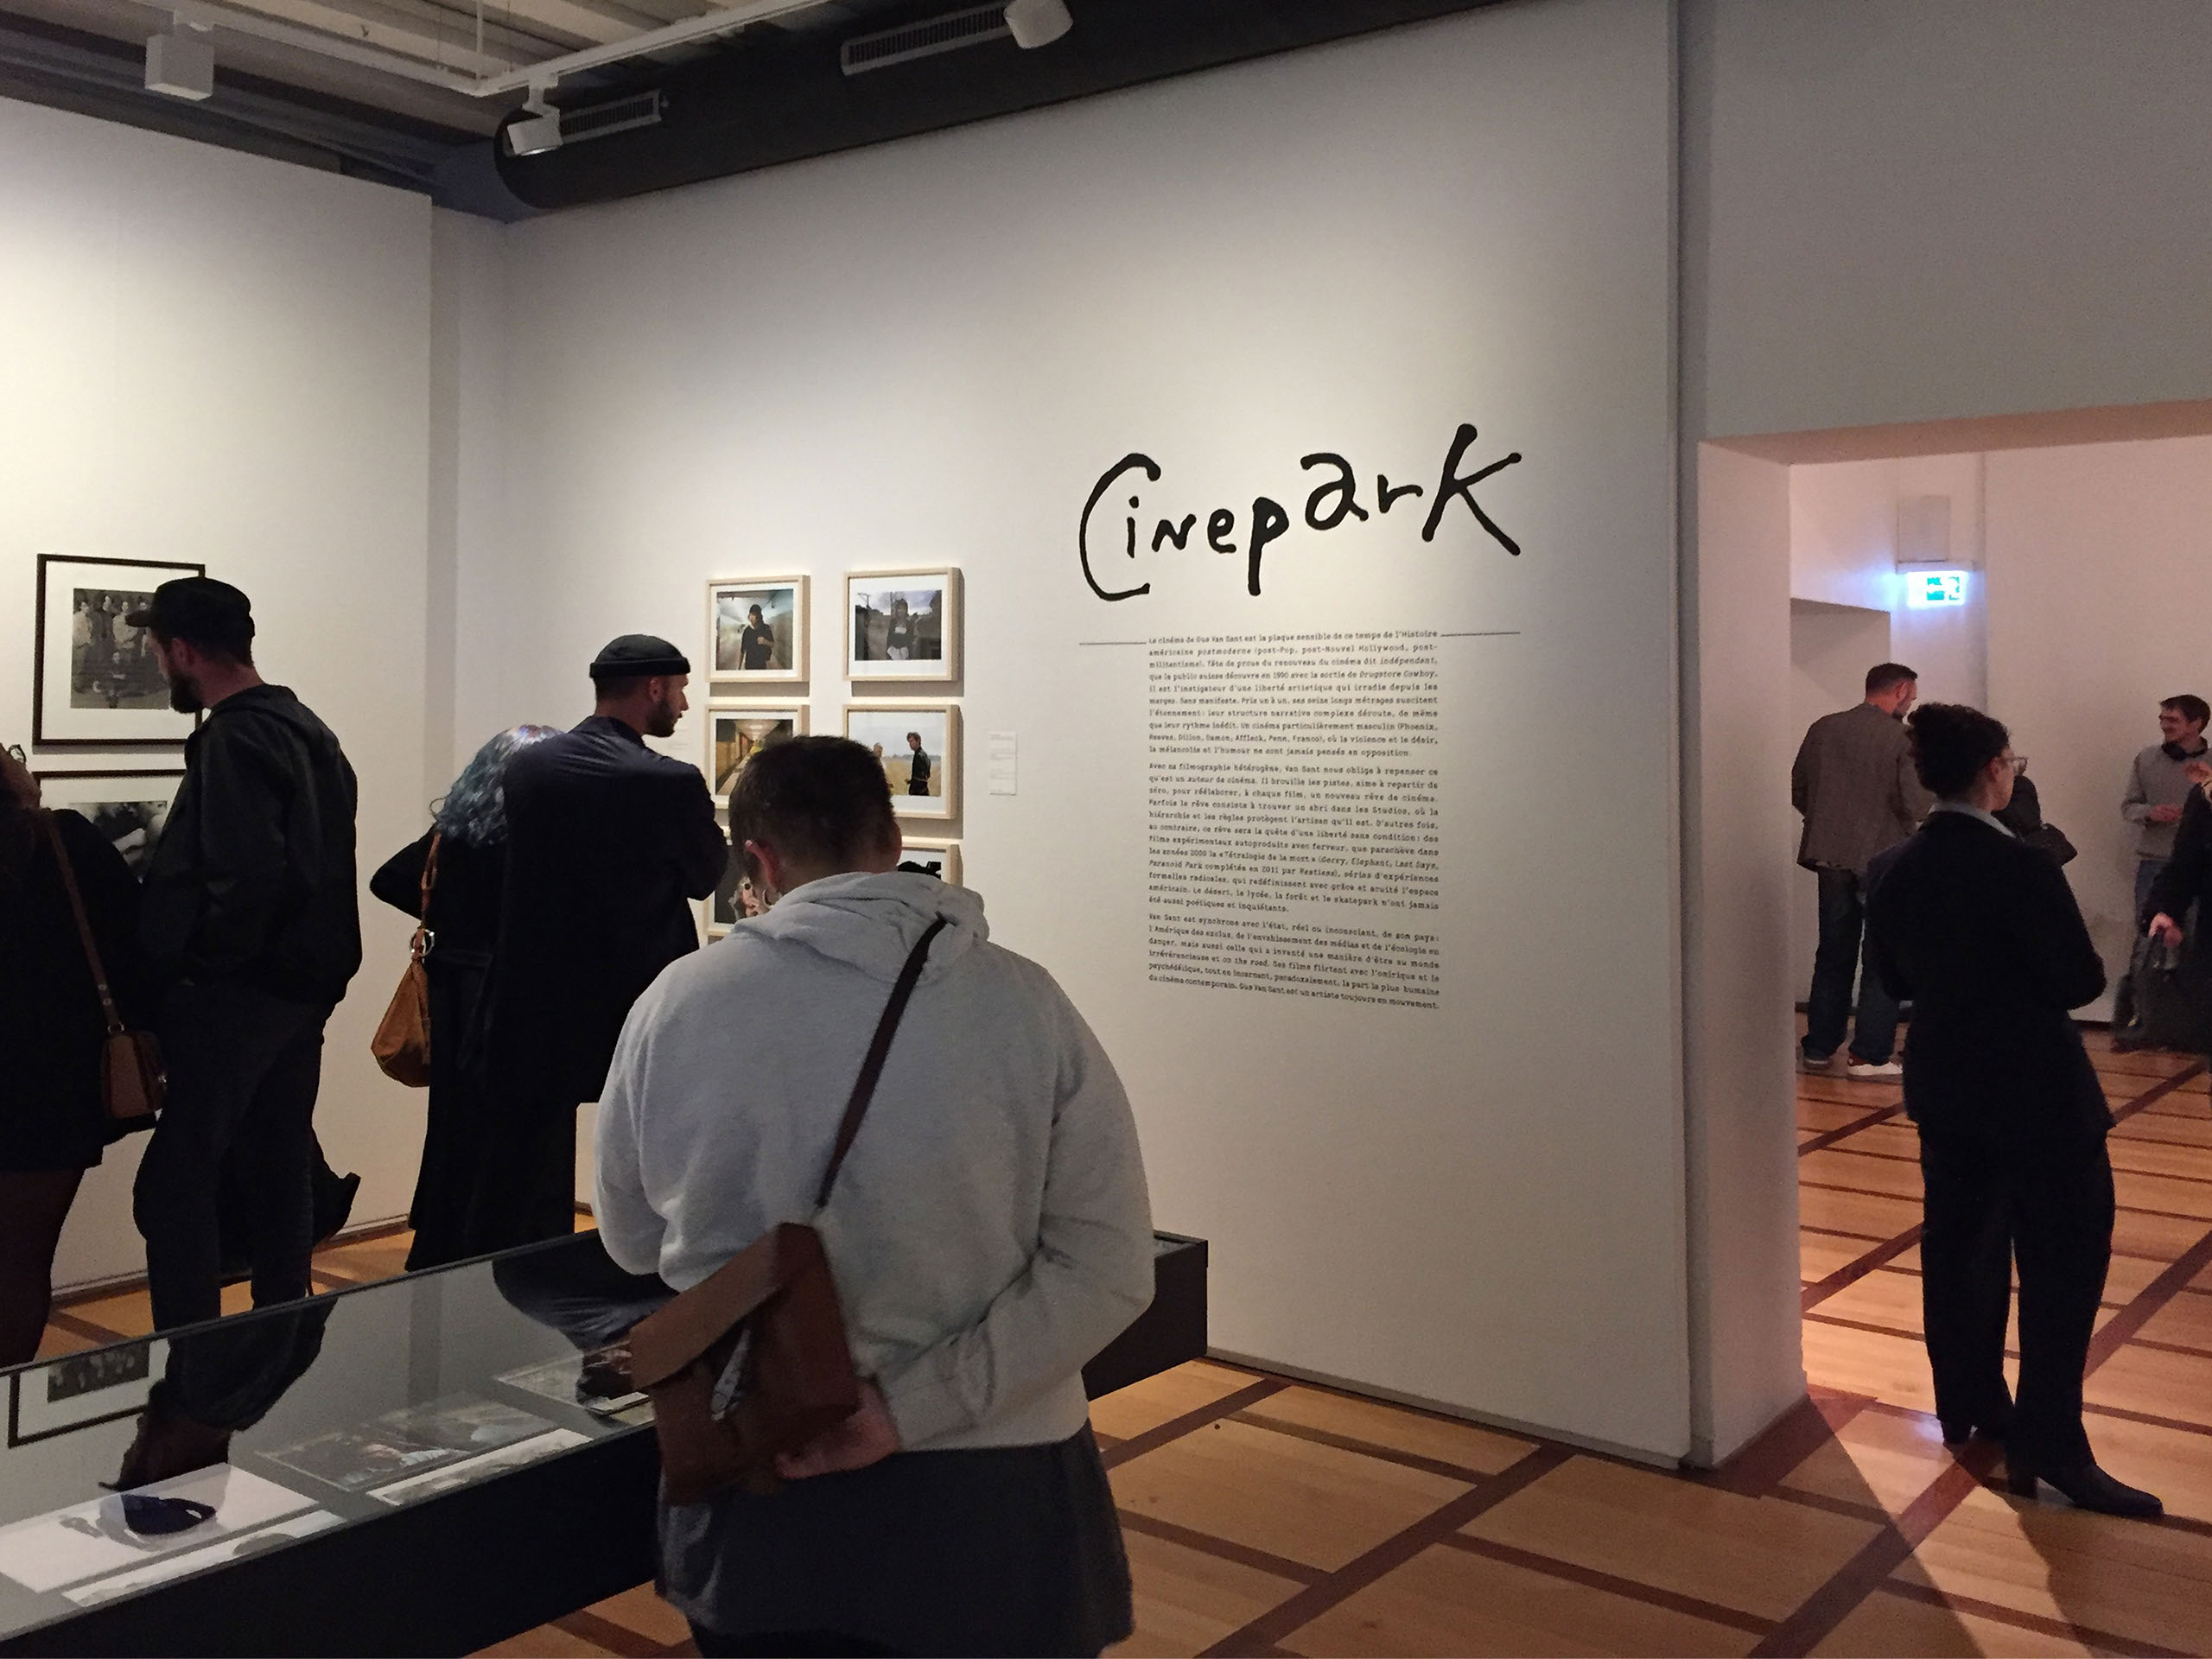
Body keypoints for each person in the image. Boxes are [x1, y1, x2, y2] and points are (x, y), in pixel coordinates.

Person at [595, 736, 1153, 1657]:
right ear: (892, 840)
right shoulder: (1026, 1002)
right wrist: (902, 1409)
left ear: (758, 861)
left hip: (762, 1454)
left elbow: (630, 1238)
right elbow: (1107, 1267)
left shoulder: (677, 1003)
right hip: (995, 1486)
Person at [1866, 702, 2159, 1519]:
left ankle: (1970, 1406)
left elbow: (1892, 980)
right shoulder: (2025, 866)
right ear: (1994, 769)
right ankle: (2050, 1442)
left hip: (1946, 1083)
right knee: (2063, 1265)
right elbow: (2078, 981)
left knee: (1960, 1248)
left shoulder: (1890, 866)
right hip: (2038, 1091)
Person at [130, 577, 361, 1334]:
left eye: (158, 650)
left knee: (176, 1184)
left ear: (184, 651)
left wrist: (199, 966)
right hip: (301, 993)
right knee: (278, 1164)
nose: (159, 664)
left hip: (238, 998)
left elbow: (248, 877)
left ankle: (193, 1355)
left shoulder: (234, 739)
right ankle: (277, 1335)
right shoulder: (308, 729)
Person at [479, 636, 726, 1251]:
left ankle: (519, 1285)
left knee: (526, 1169)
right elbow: (704, 876)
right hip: (634, 991)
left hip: (537, 990)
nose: (684, 704)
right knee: (650, 1149)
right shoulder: (668, 781)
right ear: (653, 688)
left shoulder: (528, 766)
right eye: (680, 690)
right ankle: (643, 1272)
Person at [370, 725, 561, 1270]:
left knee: (457, 1129)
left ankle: (442, 1251)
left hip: (454, 991)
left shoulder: (454, 833)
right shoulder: (536, 838)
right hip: (513, 997)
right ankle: (511, 1261)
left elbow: (389, 880)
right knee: (517, 1133)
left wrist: (448, 927)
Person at [0, 745, 149, 1364]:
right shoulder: (65, 841)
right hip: (51, 1090)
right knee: (20, 1263)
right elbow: (134, 947)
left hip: (47, 1089)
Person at [1791, 663, 1932, 1078]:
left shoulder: (1823, 728)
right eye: (1912, 697)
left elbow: (1799, 788)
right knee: (1881, 956)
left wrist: (1828, 821)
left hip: (1830, 855)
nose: (1911, 705)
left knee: (1833, 952)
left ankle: (1819, 1047)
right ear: (1901, 690)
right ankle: (1868, 1054)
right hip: (1884, 859)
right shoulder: (1902, 738)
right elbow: (1916, 805)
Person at [2121, 695, 2209, 925]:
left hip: (2203, 865)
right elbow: (2129, 806)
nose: (2164, 725)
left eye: (2173, 720)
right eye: (2162, 719)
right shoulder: (2146, 759)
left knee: (2200, 939)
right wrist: (2150, 812)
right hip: (2155, 861)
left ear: (2196, 724)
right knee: (2151, 937)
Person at [739, 604, 778, 672]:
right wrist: (739, 668)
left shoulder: (765, 629)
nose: (752, 617)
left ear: (758, 617)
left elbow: (773, 644)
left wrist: (765, 641)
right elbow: (742, 651)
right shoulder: (747, 631)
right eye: (751, 614)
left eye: (754, 615)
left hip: (761, 666)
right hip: (749, 666)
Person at [905, 730, 931, 798]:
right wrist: (911, 781)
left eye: (911, 741)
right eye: (909, 742)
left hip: (918, 791)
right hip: (923, 790)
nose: (910, 744)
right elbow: (925, 775)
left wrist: (913, 783)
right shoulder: (924, 754)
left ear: (918, 741)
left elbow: (922, 777)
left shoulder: (919, 755)